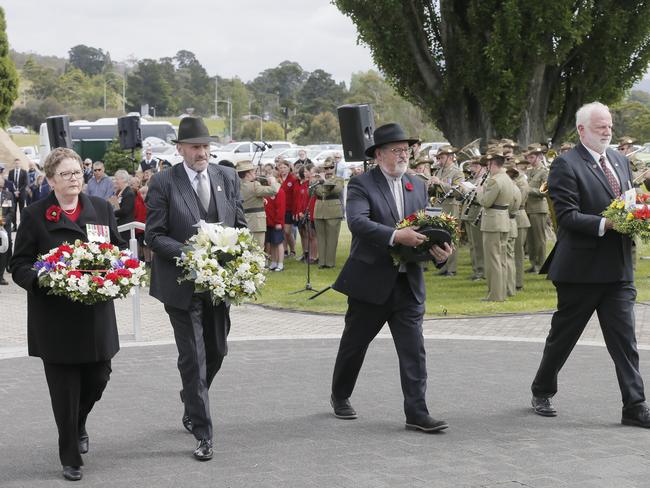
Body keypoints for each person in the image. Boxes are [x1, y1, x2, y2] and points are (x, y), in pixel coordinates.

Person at [530, 101, 650, 427]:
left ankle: (635, 406)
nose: (607, 131)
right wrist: (609, 223)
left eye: (609, 125)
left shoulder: (620, 160)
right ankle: (542, 389)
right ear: (582, 130)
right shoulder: (566, 166)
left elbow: (630, 201)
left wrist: (641, 211)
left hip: (618, 271)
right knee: (563, 338)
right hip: (580, 272)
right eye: (600, 126)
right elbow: (568, 218)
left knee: (625, 342)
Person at [329, 123, 453, 432]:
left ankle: (417, 413)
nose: (404, 155)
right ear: (379, 154)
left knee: (414, 350)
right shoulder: (361, 185)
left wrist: (439, 252)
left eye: (406, 150)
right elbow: (357, 223)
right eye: (396, 150)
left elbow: (425, 229)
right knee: (354, 346)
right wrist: (396, 236)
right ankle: (340, 394)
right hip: (371, 284)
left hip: (407, 284)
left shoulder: (417, 184)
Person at [10, 147, 124, 481]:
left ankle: (78, 423)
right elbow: (18, 264)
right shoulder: (34, 215)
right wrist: (42, 280)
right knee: (64, 391)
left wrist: (121, 273)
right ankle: (70, 455)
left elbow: (116, 250)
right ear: (50, 180)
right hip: (55, 320)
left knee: (98, 378)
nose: (74, 179)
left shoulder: (101, 209)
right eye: (66, 174)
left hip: (96, 317)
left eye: (78, 173)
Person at [145, 117, 247, 461]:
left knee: (216, 351)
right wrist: (191, 255)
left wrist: (240, 259)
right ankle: (203, 432)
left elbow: (241, 225)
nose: (202, 152)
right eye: (195, 147)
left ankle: (191, 396)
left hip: (219, 286)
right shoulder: (163, 182)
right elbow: (154, 235)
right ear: (180, 149)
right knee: (194, 357)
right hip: (181, 286)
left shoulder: (227, 176)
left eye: (205, 146)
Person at [476, 151, 514, 302]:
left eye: (488, 164)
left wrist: (479, 191)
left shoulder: (494, 181)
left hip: (493, 222)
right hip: (503, 220)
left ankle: (496, 295)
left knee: (493, 260)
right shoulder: (506, 178)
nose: (487, 167)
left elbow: (485, 202)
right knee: (501, 259)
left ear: (492, 164)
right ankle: (502, 292)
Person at [429, 145, 464, 276]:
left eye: (442, 157)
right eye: (438, 158)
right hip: (438, 205)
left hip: (451, 205)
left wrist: (440, 183)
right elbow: (434, 191)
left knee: (451, 236)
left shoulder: (457, 172)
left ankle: (452, 268)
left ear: (450, 157)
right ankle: (443, 266)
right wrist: (431, 185)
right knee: (440, 236)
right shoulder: (439, 171)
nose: (439, 160)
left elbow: (458, 191)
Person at [237, 159, 279, 249]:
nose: (255, 173)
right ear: (248, 174)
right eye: (253, 172)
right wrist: (274, 181)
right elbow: (274, 190)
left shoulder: (237, 185)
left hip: (243, 219)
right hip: (257, 222)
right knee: (258, 248)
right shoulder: (255, 185)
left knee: (246, 248)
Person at [313, 158, 344, 269]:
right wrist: (320, 181)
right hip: (319, 210)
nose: (328, 170)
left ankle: (330, 263)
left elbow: (337, 190)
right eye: (326, 168)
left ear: (334, 167)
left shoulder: (339, 179)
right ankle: (322, 262)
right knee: (320, 238)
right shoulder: (318, 179)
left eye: (331, 167)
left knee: (332, 238)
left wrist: (324, 181)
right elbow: (317, 192)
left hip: (333, 210)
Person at [524, 146, 549, 273]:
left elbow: (545, 191)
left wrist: (528, 190)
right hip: (528, 208)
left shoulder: (544, 172)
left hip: (539, 208)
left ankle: (542, 264)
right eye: (528, 157)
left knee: (539, 239)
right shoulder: (528, 172)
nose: (529, 159)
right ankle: (534, 264)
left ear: (540, 157)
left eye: (532, 157)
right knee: (530, 239)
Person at [276, 160, 297, 257]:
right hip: (279, 208)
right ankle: (284, 250)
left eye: (285, 167)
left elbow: (295, 195)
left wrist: (295, 210)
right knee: (281, 231)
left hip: (289, 209)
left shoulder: (293, 179)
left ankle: (293, 249)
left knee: (287, 231)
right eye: (281, 168)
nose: (283, 169)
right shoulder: (276, 179)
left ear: (289, 168)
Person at [110, 169, 136, 242]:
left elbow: (125, 211)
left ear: (123, 179)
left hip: (125, 226)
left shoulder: (129, 193)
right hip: (119, 225)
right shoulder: (119, 192)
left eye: (116, 179)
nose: (115, 181)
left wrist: (112, 212)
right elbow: (116, 206)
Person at [0, 176, 15, 285]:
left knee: (5, 248)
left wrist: (4, 221)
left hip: (4, 226)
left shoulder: (8, 195)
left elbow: (11, 211)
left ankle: (1, 276)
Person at [7, 159, 28, 229]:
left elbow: (25, 183)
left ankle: (22, 226)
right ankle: (14, 226)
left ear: (20, 164)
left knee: (22, 210)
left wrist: (18, 191)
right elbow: (9, 183)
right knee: (13, 210)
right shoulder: (11, 172)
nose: (17, 165)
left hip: (21, 194)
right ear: (14, 164)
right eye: (16, 163)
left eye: (18, 163)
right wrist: (14, 191)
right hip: (13, 194)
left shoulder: (24, 172)